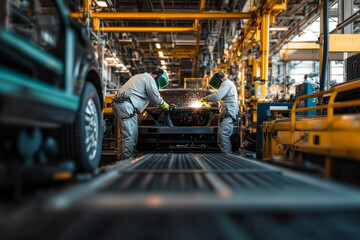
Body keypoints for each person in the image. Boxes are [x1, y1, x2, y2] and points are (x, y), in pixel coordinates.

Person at [112, 69, 169, 160]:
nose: (156, 85)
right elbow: (156, 99)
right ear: (156, 76)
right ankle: (126, 162)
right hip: (127, 107)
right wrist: (165, 106)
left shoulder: (139, 76)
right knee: (130, 135)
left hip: (120, 104)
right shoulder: (149, 78)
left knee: (124, 136)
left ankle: (121, 160)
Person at [199, 72, 239, 153]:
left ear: (220, 79)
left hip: (228, 115)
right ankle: (227, 156)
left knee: (223, 136)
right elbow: (222, 99)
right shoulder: (229, 84)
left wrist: (204, 99)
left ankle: (227, 157)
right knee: (223, 137)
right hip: (228, 114)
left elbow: (216, 96)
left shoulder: (226, 83)